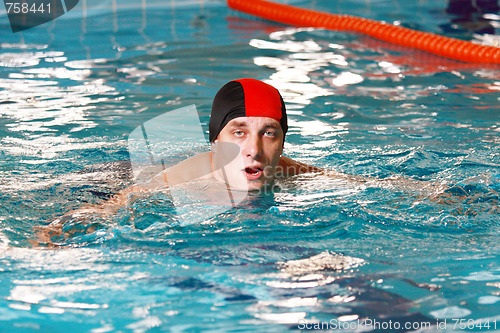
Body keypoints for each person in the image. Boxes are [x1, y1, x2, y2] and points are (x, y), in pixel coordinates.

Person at [36, 78, 440, 245]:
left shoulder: (285, 169)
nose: (254, 149)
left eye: (270, 133)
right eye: (239, 131)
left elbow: (357, 183)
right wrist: (55, 233)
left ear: (282, 143)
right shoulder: (184, 178)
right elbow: (113, 206)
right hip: (120, 175)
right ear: (216, 139)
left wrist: (433, 194)